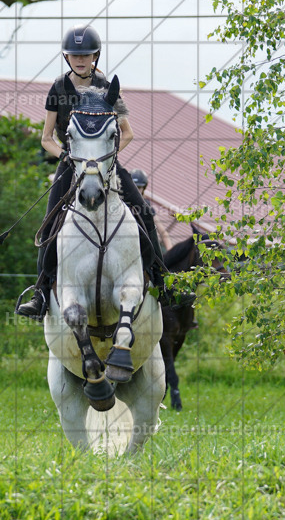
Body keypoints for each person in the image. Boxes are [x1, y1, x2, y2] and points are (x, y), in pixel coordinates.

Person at [15, 24, 191, 320]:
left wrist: (103, 161)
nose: (80, 60)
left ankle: (163, 282)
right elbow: (46, 138)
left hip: (103, 164)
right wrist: (70, 158)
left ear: (95, 55)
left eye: (85, 55)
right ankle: (41, 293)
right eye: (74, 55)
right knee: (49, 225)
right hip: (70, 163)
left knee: (144, 213)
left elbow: (128, 133)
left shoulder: (106, 85)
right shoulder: (58, 88)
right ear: (66, 57)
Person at [129, 169, 172, 252]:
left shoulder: (147, 207)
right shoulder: (121, 203)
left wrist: (171, 253)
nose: (136, 190)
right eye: (133, 186)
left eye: (139, 187)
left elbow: (163, 232)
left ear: (144, 188)